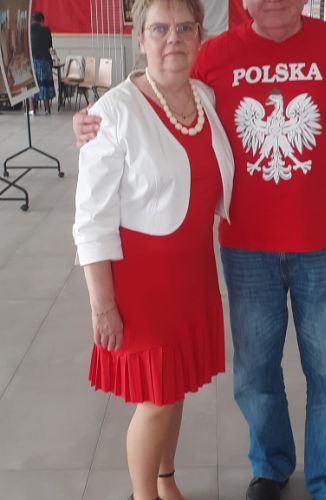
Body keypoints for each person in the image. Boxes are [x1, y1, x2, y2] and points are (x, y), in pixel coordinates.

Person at [73, 1, 326, 498]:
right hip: (246, 252)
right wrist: (91, 121)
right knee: (255, 374)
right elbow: (157, 83)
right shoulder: (212, 55)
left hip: (325, 250)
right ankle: (270, 467)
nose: (273, 1)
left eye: (183, 28)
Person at [72, 1, 234, 499]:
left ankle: (165, 480)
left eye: (184, 27)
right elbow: (91, 219)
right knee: (157, 401)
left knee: (175, 385)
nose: (173, 39)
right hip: (144, 284)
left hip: (193, 273)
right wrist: (102, 305)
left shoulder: (204, 97)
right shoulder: (113, 112)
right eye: (159, 29)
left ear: (200, 34)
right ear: (139, 38)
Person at [30, 12, 55, 115]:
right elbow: (50, 45)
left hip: (33, 61)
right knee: (45, 85)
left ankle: (32, 109)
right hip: (45, 61)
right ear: (41, 20)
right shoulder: (46, 30)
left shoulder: (28, 30)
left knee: (31, 85)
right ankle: (47, 109)